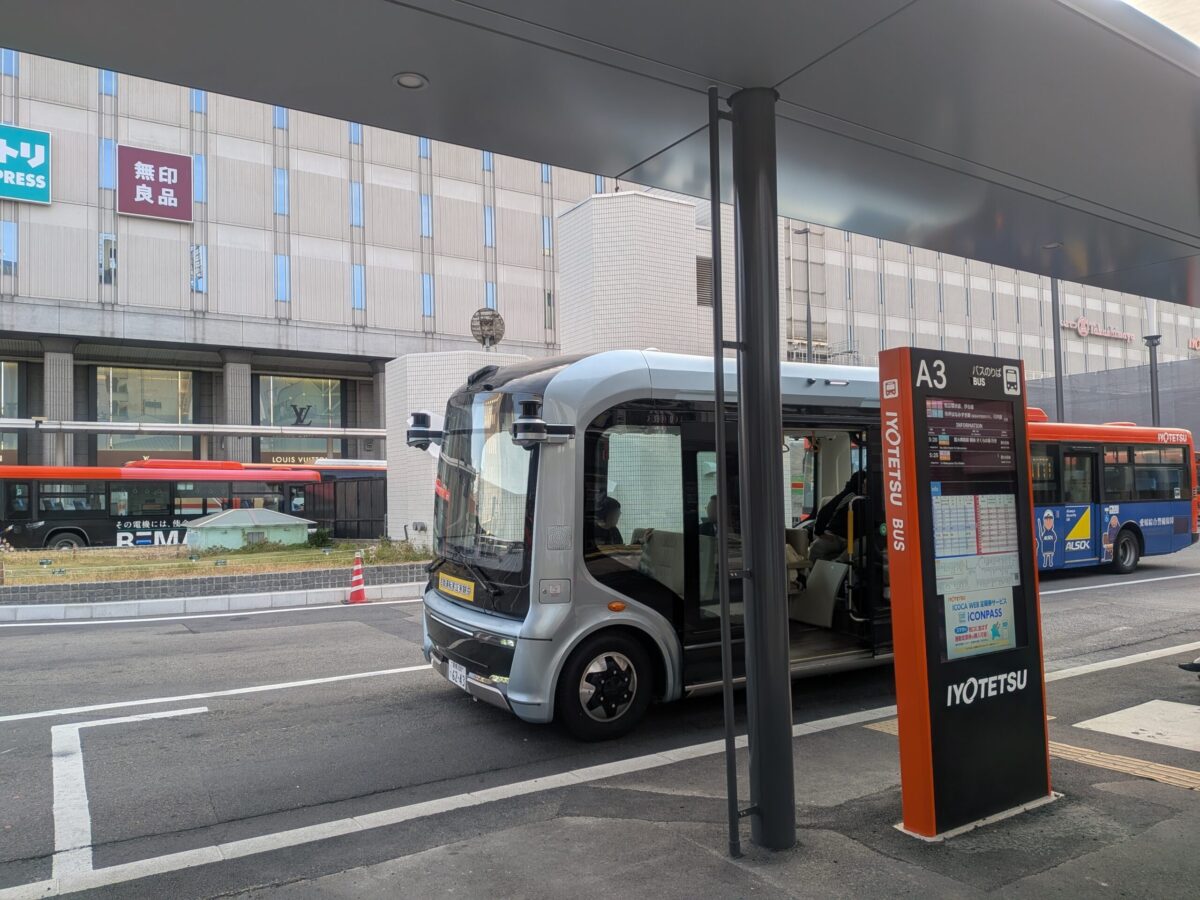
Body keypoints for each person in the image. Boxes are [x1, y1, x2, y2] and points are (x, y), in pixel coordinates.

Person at [809, 471, 867, 561]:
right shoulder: (849, 495)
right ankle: (813, 569)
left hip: (855, 539)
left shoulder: (872, 500)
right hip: (836, 536)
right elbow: (826, 511)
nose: (866, 486)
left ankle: (839, 562)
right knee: (816, 547)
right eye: (864, 483)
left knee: (866, 541)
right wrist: (820, 532)